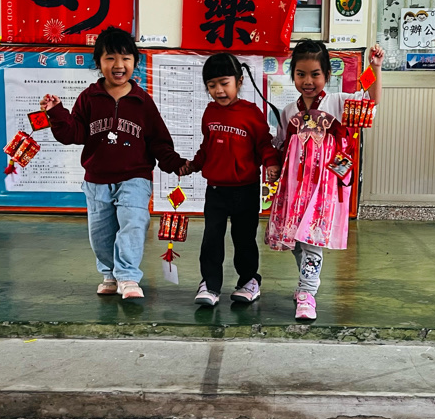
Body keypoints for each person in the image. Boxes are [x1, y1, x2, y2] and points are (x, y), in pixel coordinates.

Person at [40, 27, 188, 300]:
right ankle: (110, 274)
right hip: (96, 179)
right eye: (110, 58)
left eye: (125, 58)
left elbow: (158, 140)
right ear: (98, 63)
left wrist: (175, 163)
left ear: (135, 62)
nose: (118, 65)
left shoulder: (142, 101)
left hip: (135, 177)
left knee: (134, 222)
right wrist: (57, 113)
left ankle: (128, 276)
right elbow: (74, 134)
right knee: (101, 232)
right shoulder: (89, 97)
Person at [266, 40, 384, 320]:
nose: (308, 81)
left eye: (315, 74)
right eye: (301, 74)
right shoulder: (288, 111)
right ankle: (307, 283)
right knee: (296, 239)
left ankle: (307, 293)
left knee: (312, 239)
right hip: (294, 189)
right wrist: (272, 166)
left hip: (323, 188)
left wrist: (376, 67)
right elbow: (280, 145)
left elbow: (371, 101)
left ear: (327, 75)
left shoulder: (338, 102)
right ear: (293, 74)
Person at [180, 53, 280, 307]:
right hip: (215, 190)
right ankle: (210, 284)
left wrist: (271, 163)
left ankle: (249, 281)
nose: (219, 90)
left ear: (239, 81)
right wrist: (193, 165)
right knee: (211, 238)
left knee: (244, 238)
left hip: (246, 189)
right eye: (212, 85)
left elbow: (264, 144)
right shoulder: (209, 112)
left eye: (224, 83)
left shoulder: (251, 113)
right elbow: (207, 147)